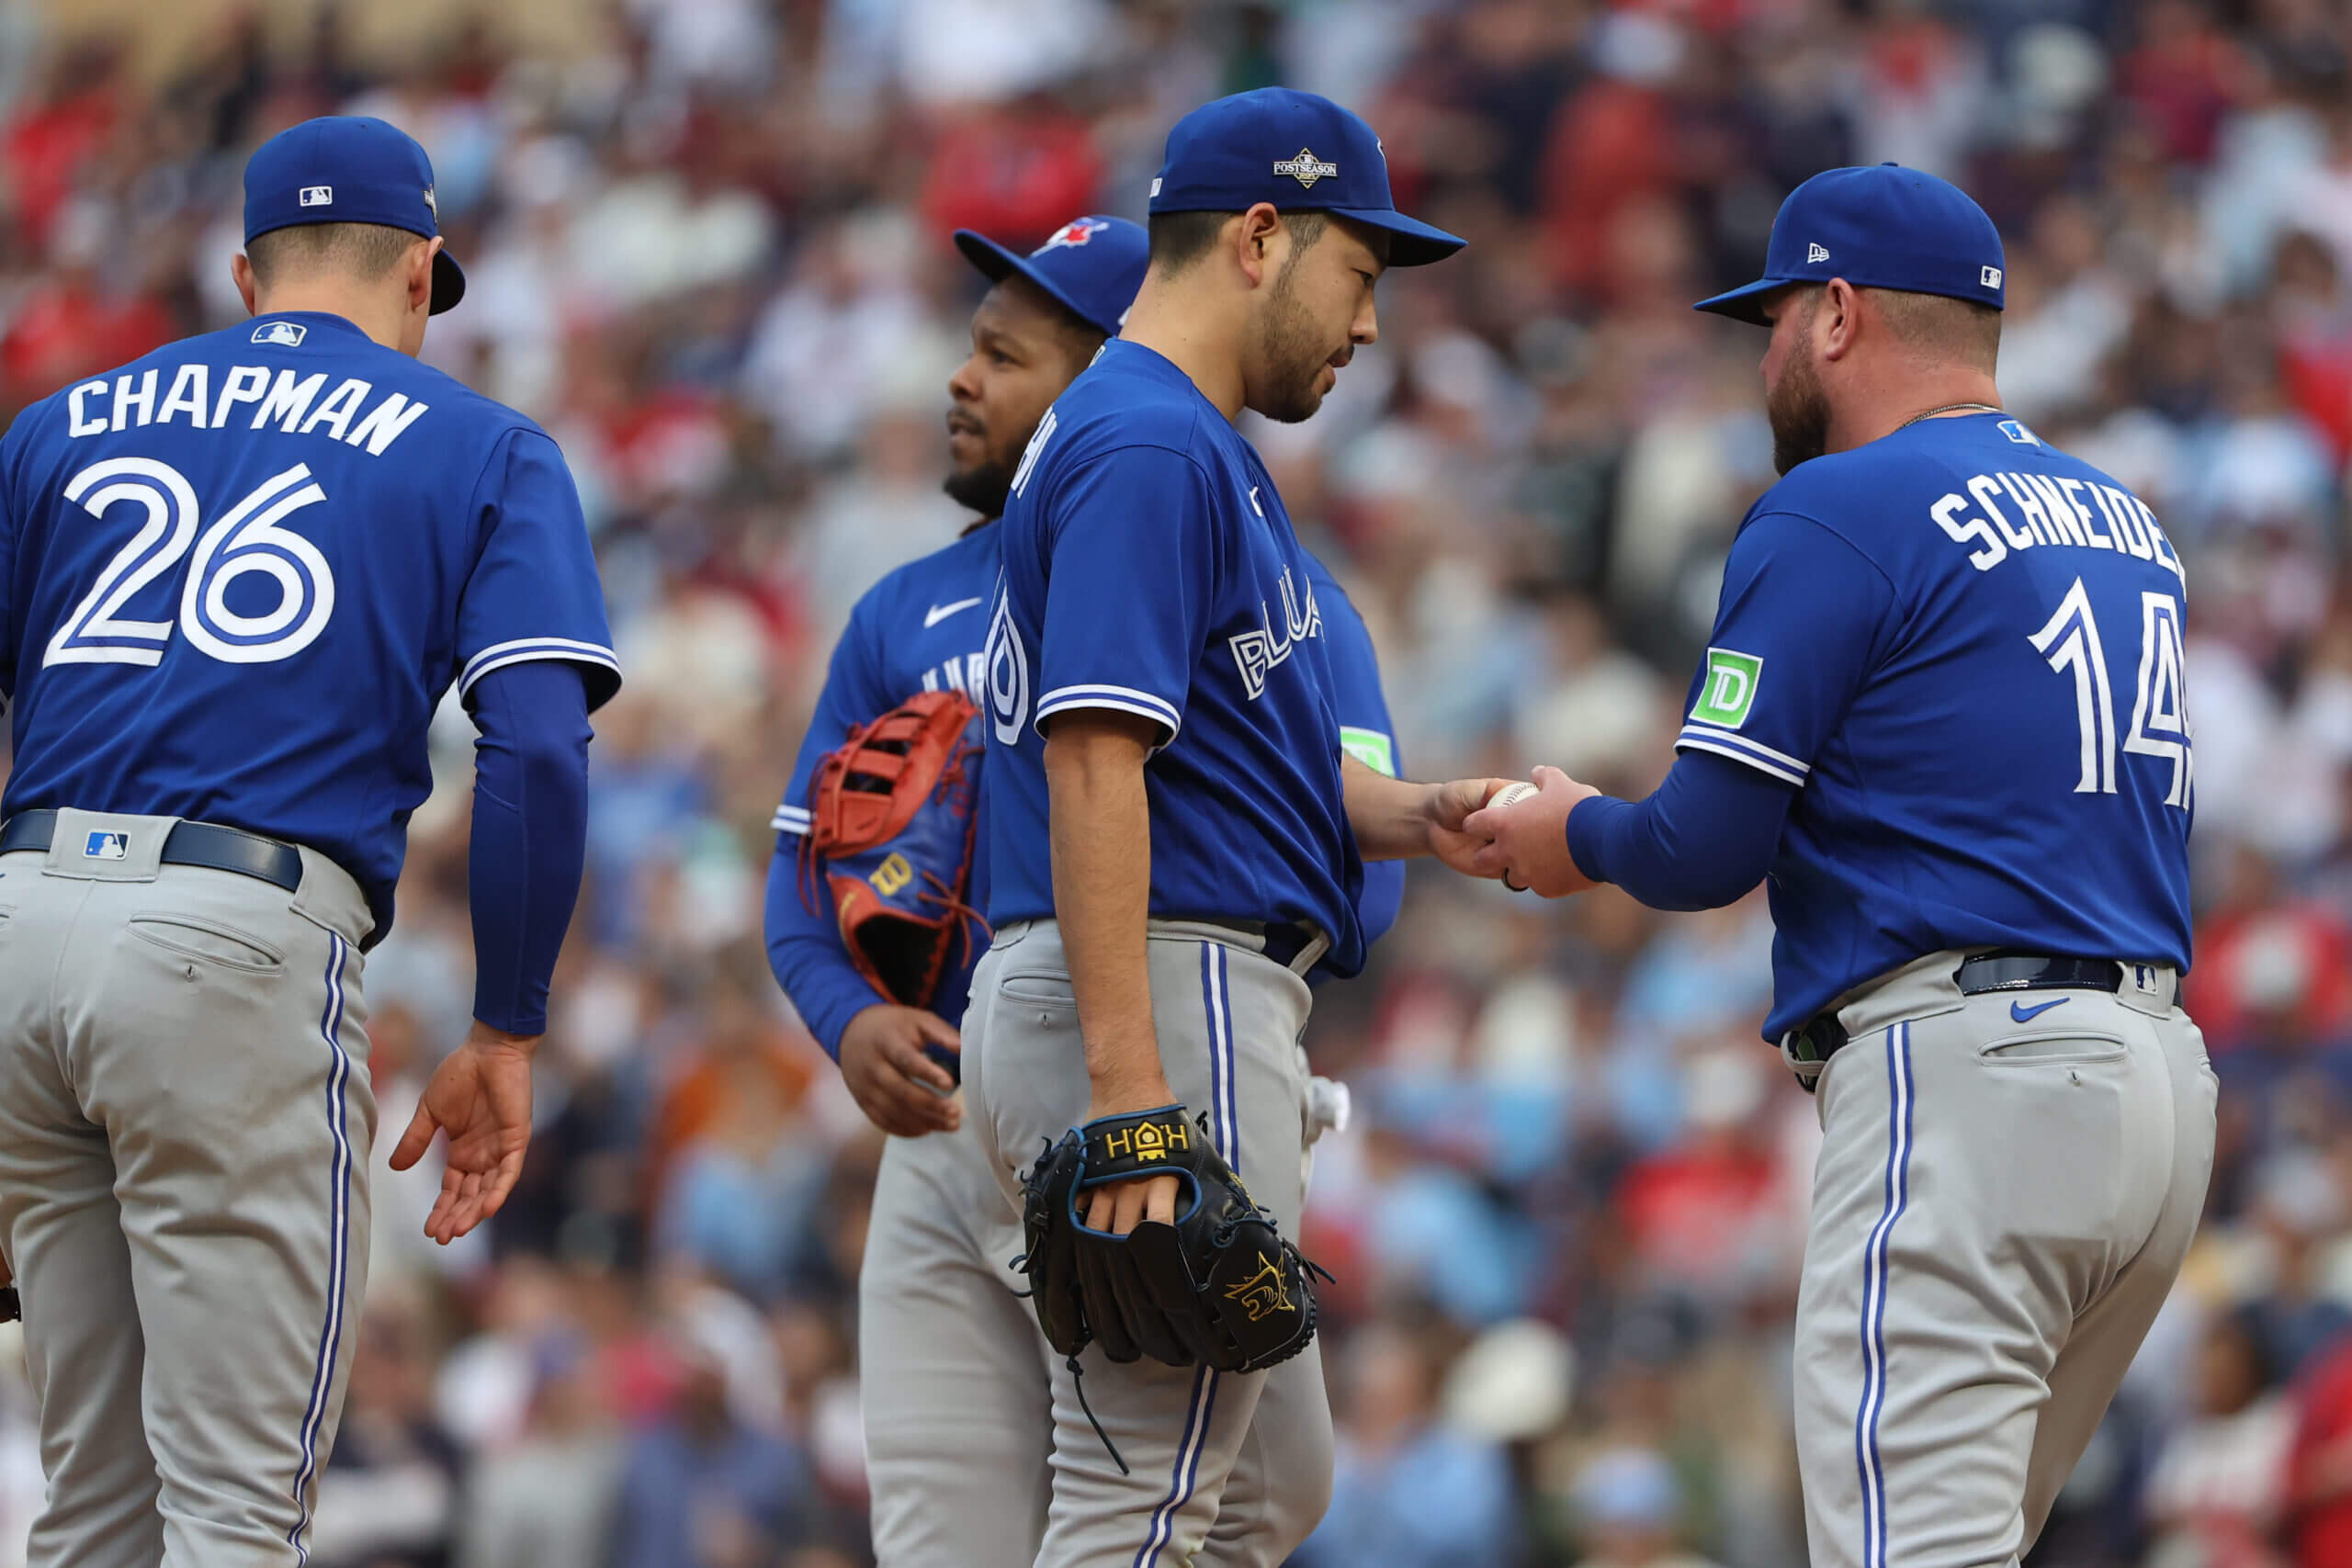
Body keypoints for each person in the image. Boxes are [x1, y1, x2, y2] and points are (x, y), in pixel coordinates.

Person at [1469, 164, 2217, 1568]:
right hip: (2159, 1084)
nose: (1762, 356)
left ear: (1836, 313)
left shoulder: (1838, 506)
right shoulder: (2128, 520)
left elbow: (1703, 842)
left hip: (1972, 1081)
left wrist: (1573, 835)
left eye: (1772, 319)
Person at [0, 116, 617, 1566]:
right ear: (420, 271)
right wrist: (507, 1025)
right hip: (229, 944)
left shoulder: (55, 425)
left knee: (92, 1506)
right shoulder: (482, 444)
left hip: (22, 927)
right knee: (237, 1509)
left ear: (243, 276)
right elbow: (534, 742)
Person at [763, 213, 1409, 1566]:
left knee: (1249, 1490)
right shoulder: (904, 610)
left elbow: (1348, 880)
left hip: (1131, 1045)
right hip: (964, 1103)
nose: (961, 379)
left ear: (1093, 371)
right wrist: (846, 1017)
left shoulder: (1287, 589)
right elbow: (795, 870)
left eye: (1004, 353)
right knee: (986, 1535)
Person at [967, 88, 1496, 1566]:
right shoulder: (1149, 442)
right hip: (1162, 986)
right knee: (1145, 1493)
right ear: (1263, 237)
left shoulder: (1181, 441)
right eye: (1362, 274)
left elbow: (1233, 766)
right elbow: (1092, 764)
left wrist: (1419, 816)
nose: (1372, 323)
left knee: (1271, 1483)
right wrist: (1136, 1097)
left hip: (1158, 970)